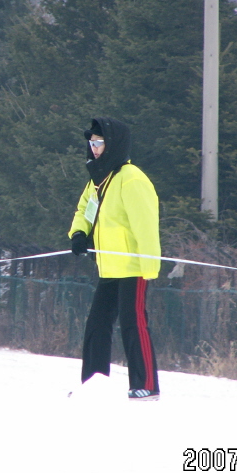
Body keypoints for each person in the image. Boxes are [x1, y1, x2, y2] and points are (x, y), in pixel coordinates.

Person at [68, 117, 161, 400]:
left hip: (133, 267)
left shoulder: (132, 179)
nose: (95, 149)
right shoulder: (99, 179)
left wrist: (148, 267)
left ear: (114, 144)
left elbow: (145, 225)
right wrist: (79, 234)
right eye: (92, 143)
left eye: (100, 143)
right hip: (109, 267)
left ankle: (146, 384)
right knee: (97, 325)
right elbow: (85, 209)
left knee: (134, 324)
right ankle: (94, 384)